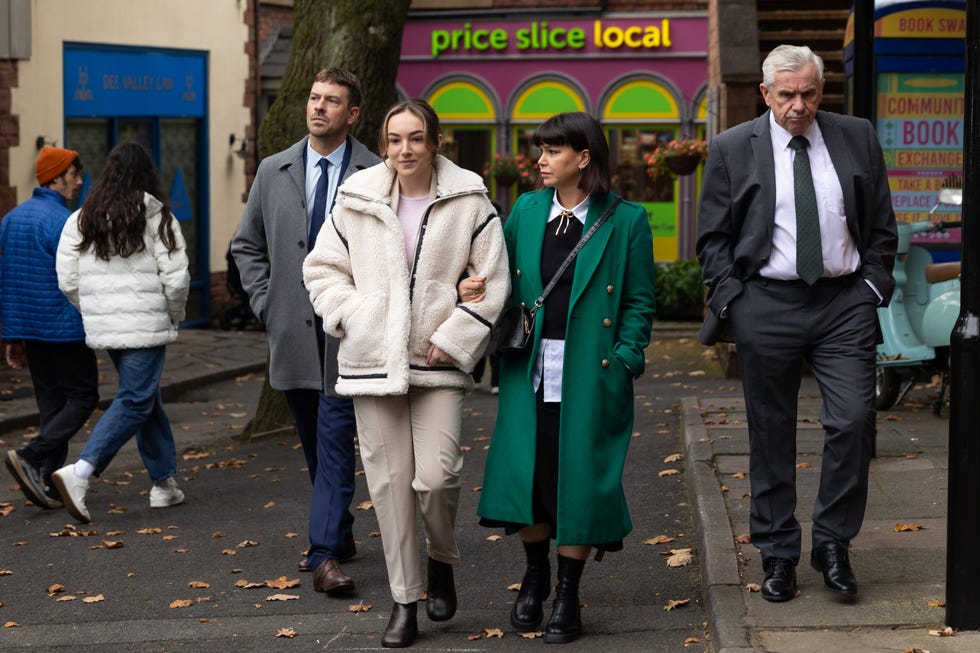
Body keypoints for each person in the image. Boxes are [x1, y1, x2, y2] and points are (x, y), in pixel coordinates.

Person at [302, 98, 509, 648]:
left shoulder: (469, 199)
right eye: (395, 139)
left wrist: (455, 336)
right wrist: (353, 315)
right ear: (384, 143)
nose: (405, 150)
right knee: (390, 486)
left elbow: (493, 280)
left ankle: (441, 559)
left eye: (416, 138)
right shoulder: (357, 197)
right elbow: (322, 269)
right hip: (371, 363)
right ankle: (404, 599)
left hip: (437, 363)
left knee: (437, 478)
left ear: (435, 141)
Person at [696, 44, 897, 603]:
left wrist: (872, 288)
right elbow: (712, 237)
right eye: (786, 95)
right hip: (767, 302)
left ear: (820, 89)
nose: (798, 106)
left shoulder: (855, 136)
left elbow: (881, 223)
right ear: (765, 94)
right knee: (771, 433)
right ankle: (778, 553)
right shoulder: (733, 148)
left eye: (808, 93)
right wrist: (734, 300)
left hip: (843, 304)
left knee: (855, 420)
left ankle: (833, 543)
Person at [476, 112, 656, 644]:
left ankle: (569, 592)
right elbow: (502, 281)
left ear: (583, 158)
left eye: (553, 151)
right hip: (527, 369)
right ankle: (535, 575)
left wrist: (626, 357)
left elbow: (639, 302)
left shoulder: (627, 220)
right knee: (530, 477)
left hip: (590, 373)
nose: (540, 160)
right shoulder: (527, 210)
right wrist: (476, 290)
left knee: (577, 478)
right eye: (541, 150)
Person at [231, 68, 380, 595]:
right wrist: (266, 302)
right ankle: (339, 532)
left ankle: (322, 555)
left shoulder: (376, 172)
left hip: (349, 334)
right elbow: (246, 245)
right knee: (317, 449)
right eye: (315, 98)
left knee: (336, 439)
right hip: (291, 331)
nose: (318, 107)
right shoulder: (274, 170)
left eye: (332, 101)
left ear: (352, 113)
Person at [51, 141, 190, 524]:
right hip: (146, 328)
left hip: (107, 329)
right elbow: (176, 280)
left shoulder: (82, 218)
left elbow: (67, 279)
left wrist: (94, 312)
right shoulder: (157, 217)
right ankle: (81, 473)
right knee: (135, 398)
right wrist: (173, 316)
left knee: (145, 398)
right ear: (147, 175)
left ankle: (164, 483)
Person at [1, 147, 99, 509]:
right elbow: (79, 277)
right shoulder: (63, 221)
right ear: (55, 177)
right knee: (84, 396)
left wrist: (12, 336)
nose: (78, 181)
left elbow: (7, 281)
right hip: (64, 325)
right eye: (73, 174)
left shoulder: (11, 219)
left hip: (30, 328)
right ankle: (32, 455)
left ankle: (45, 479)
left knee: (52, 402)